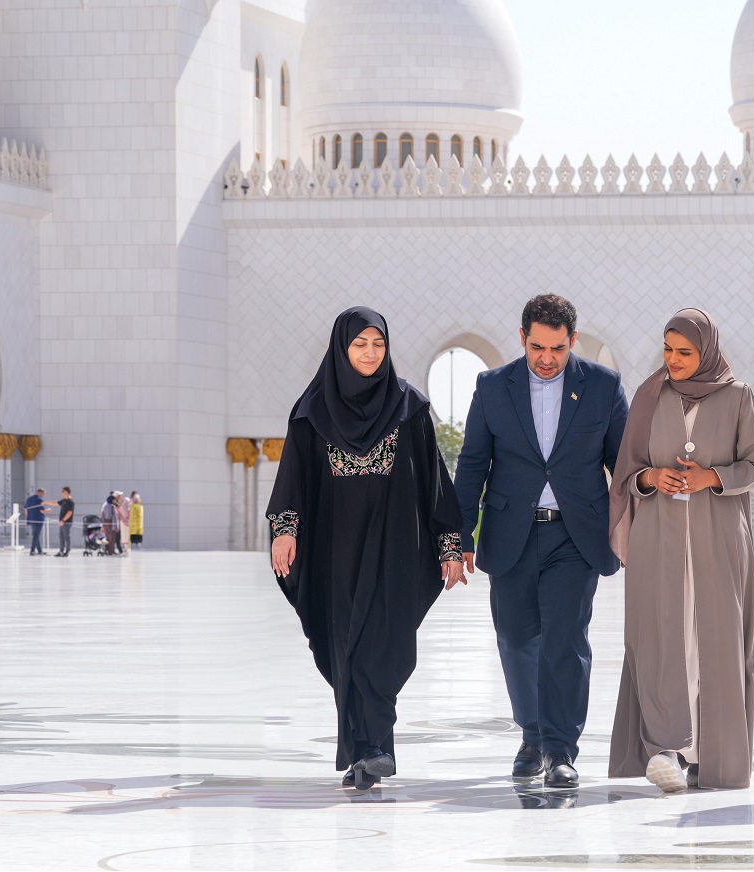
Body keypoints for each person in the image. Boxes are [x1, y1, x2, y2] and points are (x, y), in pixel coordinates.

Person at [267, 306, 467, 791]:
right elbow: (293, 477)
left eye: (378, 344)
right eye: (360, 344)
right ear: (342, 348)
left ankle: (375, 747)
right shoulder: (312, 411)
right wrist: (285, 529)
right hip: (332, 549)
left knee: (384, 641)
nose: (371, 353)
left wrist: (450, 543)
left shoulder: (408, 406)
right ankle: (364, 751)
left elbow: (433, 480)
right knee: (344, 649)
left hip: (393, 546)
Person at [454, 294, 630, 790]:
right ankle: (531, 735)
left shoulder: (602, 386)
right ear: (522, 338)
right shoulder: (493, 386)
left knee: (565, 639)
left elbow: (623, 465)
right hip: (511, 532)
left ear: (572, 341)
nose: (547, 358)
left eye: (557, 348)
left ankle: (559, 748)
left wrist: (634, 532)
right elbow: (472, 464)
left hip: (575, 535)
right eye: (537, 347)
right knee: (516, 639)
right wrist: (459, 537)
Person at [607, 309, 754, 793]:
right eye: (668, 350)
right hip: (657, 540)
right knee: (660, 638)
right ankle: (666, 749)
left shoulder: (738, 396)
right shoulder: (649, 396)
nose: (673, 360)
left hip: (717, 541)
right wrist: (651, 477)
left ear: (708, 352)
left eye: (685, 352)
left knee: (713, 642)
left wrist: (712, 477)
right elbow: (625, 472)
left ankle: (710, 758)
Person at [24, 488, 53, 555]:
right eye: (43, 493)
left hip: (31, 519)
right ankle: (32, 550)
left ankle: (39, 551)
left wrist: (28, 519)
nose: (43, 495)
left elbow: (26, 510)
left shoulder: (29, 499)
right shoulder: (40, 500)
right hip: (38, 520)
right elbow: (42, 510)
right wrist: (48, 510)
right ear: (40, 492)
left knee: (35, 535)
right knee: (36, 535)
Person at [55, 487, 76, 557]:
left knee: (66, 537)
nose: (62, 493)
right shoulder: (63, 501)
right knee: (61, 537)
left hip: (67, 522)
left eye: (63, 491)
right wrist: (46, 502)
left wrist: (63, 520)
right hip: (62, 523)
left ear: (67, 492)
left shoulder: (70, 502)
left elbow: (69, 513)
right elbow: (56, 503)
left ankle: (67, 550)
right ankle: (61, 551)